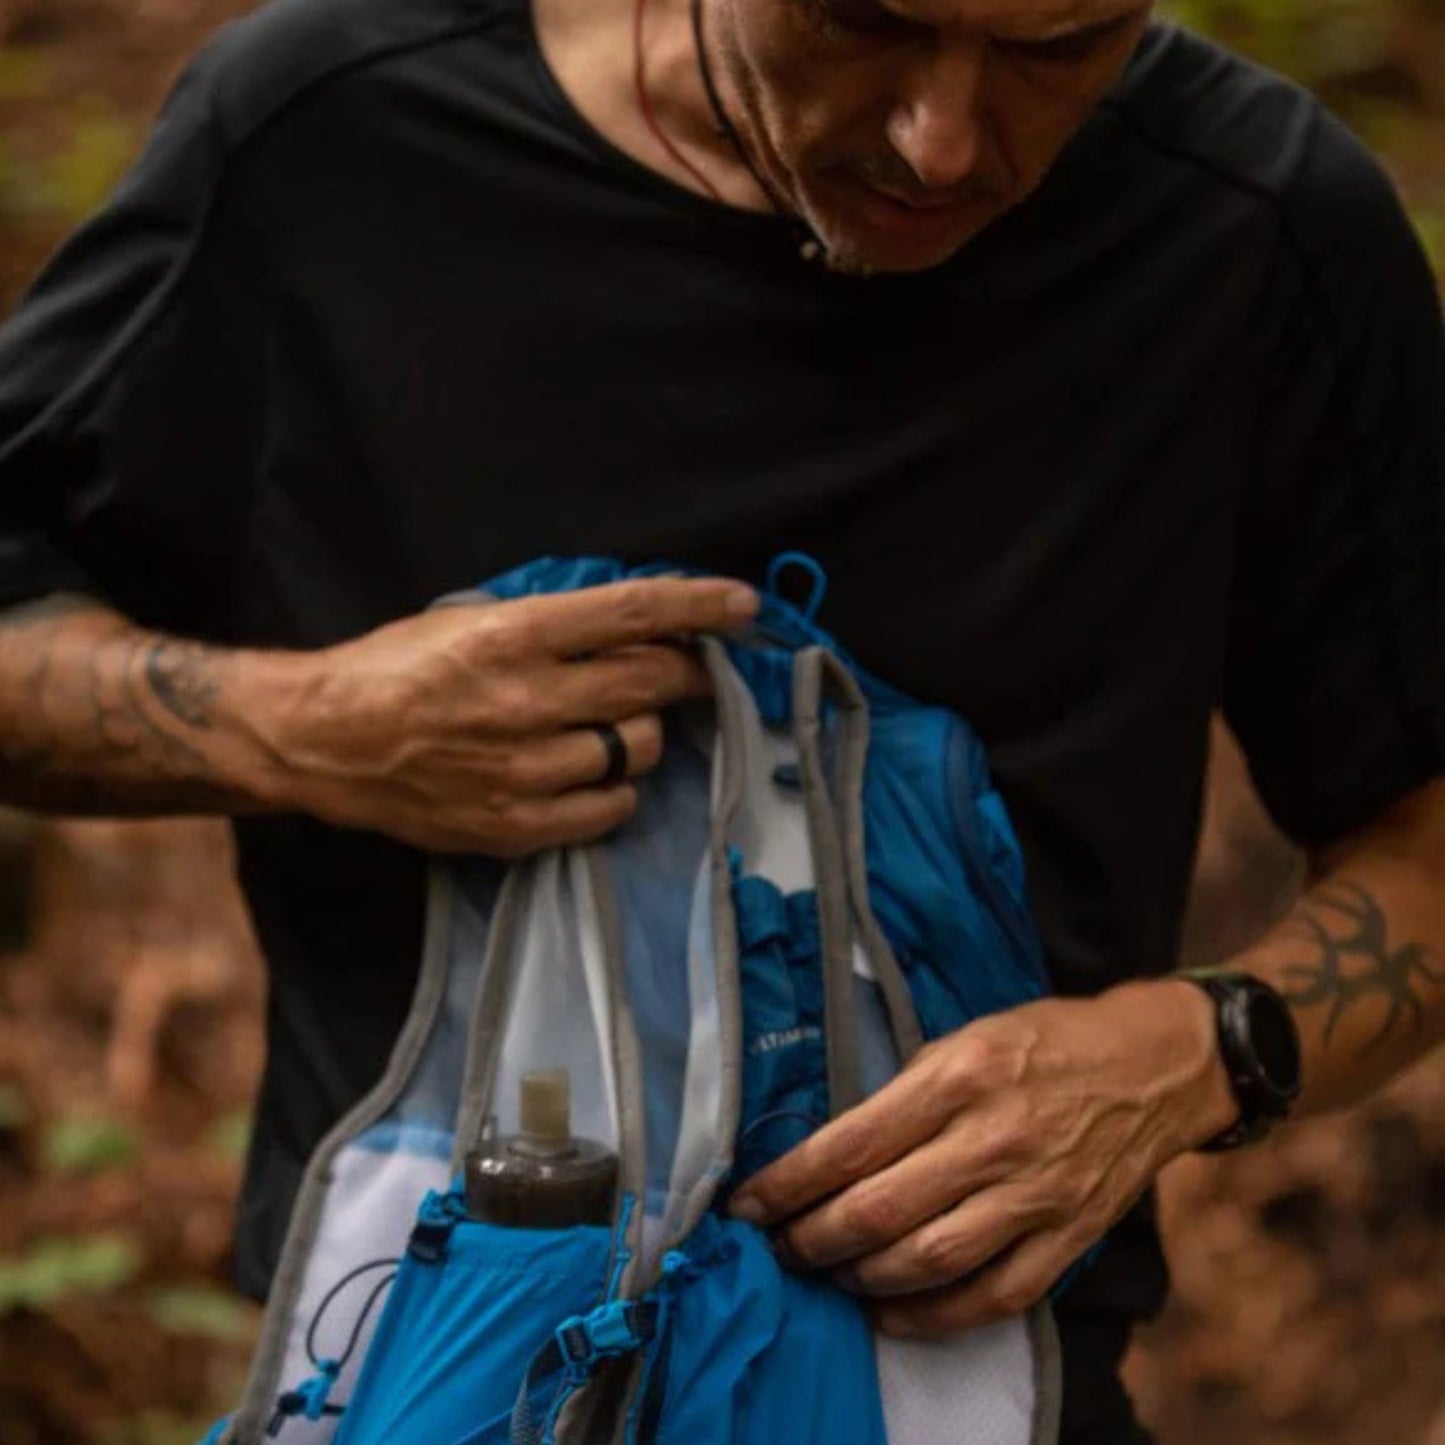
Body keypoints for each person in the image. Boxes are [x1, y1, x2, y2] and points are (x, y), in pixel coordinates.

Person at [0, 0, 1441, 1437]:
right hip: (421, 1375)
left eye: (1054, 49)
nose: (940, 141)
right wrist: (299, 724)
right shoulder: (333, 136)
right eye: (857, 24)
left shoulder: (1253, 228)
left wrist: (1198, 1048)